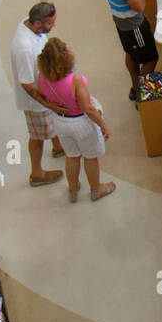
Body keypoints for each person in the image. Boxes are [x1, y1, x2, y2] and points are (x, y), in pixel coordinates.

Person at [36, 38, 115, 203]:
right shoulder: (75, 80)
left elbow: (42, 95)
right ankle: (96, 189)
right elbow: (88, 108)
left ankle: (72, 189)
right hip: (81, 122)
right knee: (90, 157)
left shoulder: (43, 77)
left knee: (71, 156)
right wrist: (102, 125)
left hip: (60, 121)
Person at [93, 0, 160, 102]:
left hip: (119, 22)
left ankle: (133, 85)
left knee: (130, 52)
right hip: (134, 25)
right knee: (151, 58)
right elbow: (139, 7)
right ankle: (140, 91)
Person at [9, 1, 67, 186]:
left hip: (45, 93)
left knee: (51, 122)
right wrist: (46, 103)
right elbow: (26, 83)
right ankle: (37, 174)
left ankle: (58, 147)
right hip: (36, 102)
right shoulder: (24, 48)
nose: (53, 26)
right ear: (37, 23)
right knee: (37, 136)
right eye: (50, 23)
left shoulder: (29, 23)